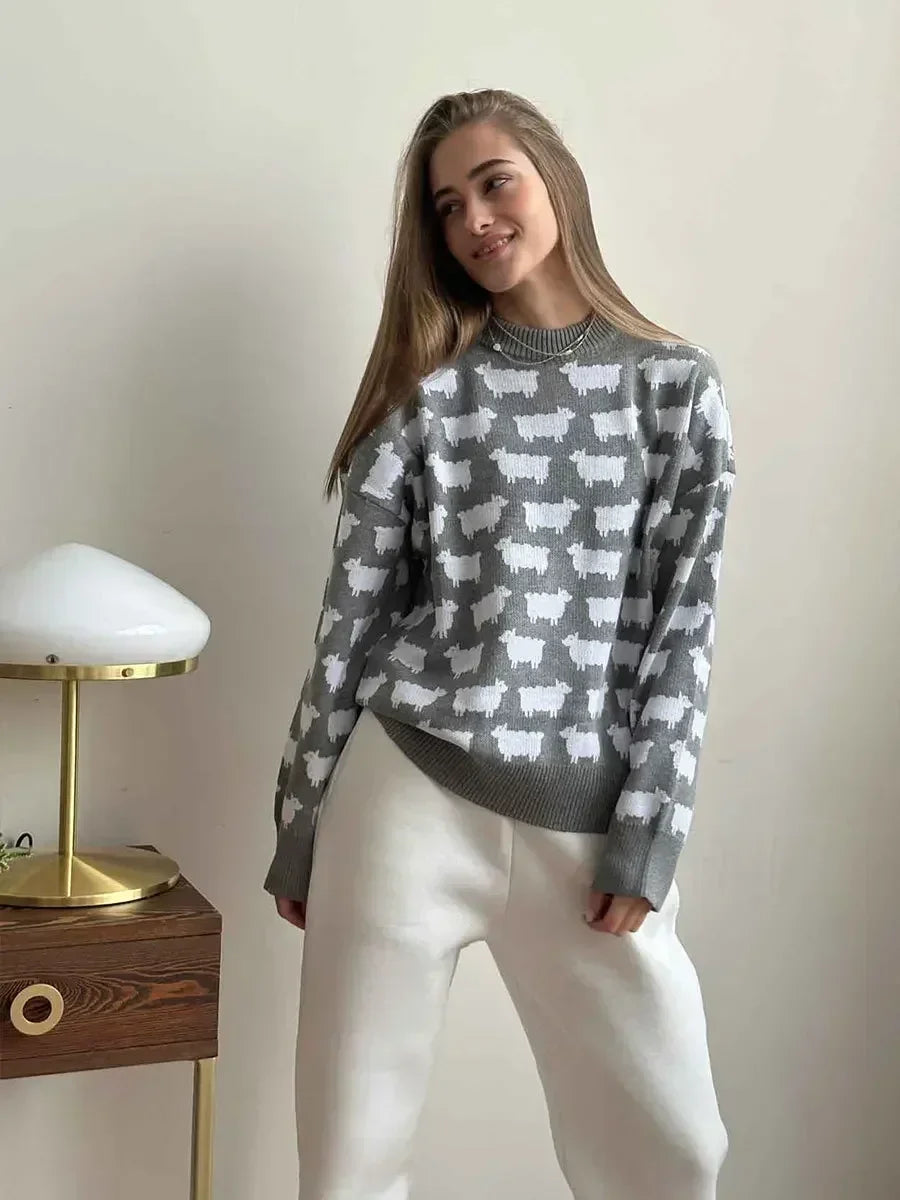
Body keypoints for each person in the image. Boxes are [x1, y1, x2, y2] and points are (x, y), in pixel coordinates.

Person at [264, 88, 736, 1200]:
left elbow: (684, 627)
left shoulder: (674, 388)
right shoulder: (426, 396)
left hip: (585, 819)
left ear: (554, 179)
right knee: (349, 1154)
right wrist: (301, 817)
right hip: (406, 795)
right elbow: (351, 617)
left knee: (675, 1152)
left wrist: (651, 831)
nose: (474, 218)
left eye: (494, 182)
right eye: (446, 206)